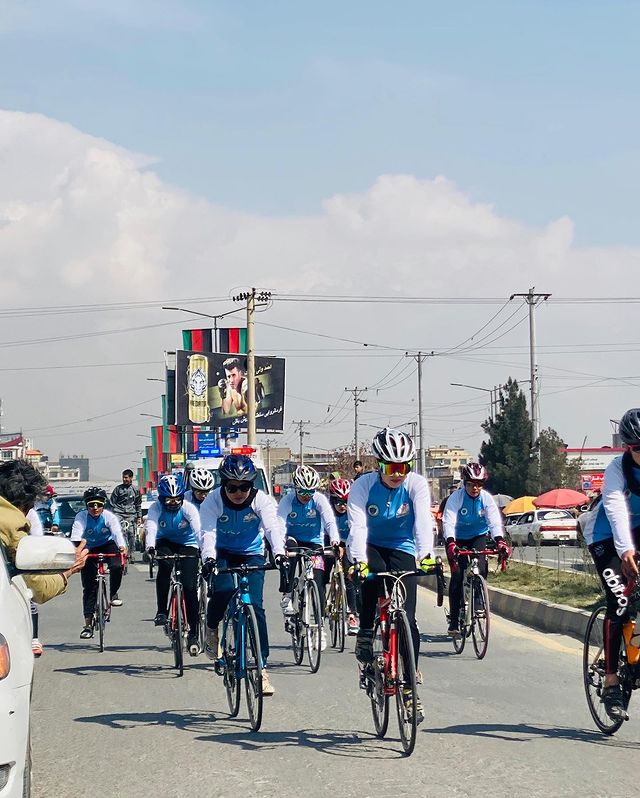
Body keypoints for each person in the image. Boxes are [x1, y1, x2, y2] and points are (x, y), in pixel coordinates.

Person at [347, 428, 436, 723]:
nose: (397, 474)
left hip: (402, 546)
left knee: (408, 620)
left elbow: (423, 521)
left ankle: (410, 689)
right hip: (370, 544)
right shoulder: (363, 485)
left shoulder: (416, 484)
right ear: (378, 465)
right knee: (371, 578)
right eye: (390, 467)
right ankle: (366, 631)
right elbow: (358, 526)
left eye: (403, 467)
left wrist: (426, 554)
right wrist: (359, 561)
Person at [200, 454, 286, 696]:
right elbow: (208, 533)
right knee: (224, 590)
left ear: (252, 484)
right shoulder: (212, 501)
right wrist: (208, 559)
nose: (239, 492)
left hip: (252, 553)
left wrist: (279, 554)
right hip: (222, 552)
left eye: (244, 486)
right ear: (223, 485)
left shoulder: (262, 500)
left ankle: (261, 668)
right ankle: (212, 628)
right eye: (232, 487)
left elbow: (272, 528)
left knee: (255, 606)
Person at [581, 408, 640, 720]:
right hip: (605, 535)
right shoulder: (617, 470)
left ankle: (636, 645)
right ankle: (611, 681)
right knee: (619, 600)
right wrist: (626, 550)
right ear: (628, 447)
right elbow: (616, 510)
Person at [0, 459, 87, 611]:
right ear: (25, 504)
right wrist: (69, 570)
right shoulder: (11, 525)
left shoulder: (50, 507)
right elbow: (40, 589)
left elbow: (47, 524)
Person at [442, 463, 509, 637]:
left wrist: (500, 541)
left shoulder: (486, 499)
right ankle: (454, 620)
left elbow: (494, 522)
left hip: (478, 536)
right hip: (457, 538)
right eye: (471, 484)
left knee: (481, 565)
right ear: (464, 483)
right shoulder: (456, 498)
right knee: (457, 575)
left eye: (479, 484)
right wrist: (451, 543)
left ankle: (479, 602)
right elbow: (448, 521)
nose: (475, 488)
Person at [278, 464, 339, 650]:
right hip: (293, 539)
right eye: (303, 492)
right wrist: (280, 545)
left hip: (314, 542)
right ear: (296, 488)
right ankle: (287, 594)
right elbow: (279, 523)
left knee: (318, 584)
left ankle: (320, 628)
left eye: (310, 491)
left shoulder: (319, 500)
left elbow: (329, 521)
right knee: (289, 553)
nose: (307, 496)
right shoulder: (287, 501)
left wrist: (335, 540)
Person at [145, 474, 202, 656]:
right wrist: (150, 547)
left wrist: (204, 549)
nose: (173, 503)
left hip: (188, 543)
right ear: (161, 499)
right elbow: (151, 528)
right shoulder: (155, 508)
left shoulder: (189, 508)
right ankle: (162, 611)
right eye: (169, 500)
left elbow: (198, 530)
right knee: (165, 567)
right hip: (165, 541)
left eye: (177, 499)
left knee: (190, 587)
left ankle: (193, 635)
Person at [72, 487, 126, 639]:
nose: (95, 508)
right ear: (86, 505)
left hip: (107, 544)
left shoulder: (109, 516)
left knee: (116, 565)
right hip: (88, 546)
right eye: (91, 505)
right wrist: (78, 552)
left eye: (99, 505)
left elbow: (117, 533)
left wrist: (122, 547)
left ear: (103, 505)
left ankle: (113, 593)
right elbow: (76, 536)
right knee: (89, 587)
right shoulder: (81, 517)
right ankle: (88, 625)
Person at [328, 477, 359, 635]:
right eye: (339, 502)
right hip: (328, 545)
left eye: (346, 502)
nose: (343, 506)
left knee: (350, 579)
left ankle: (352, 615)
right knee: (321, 575)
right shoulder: (327, 513)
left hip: (347, 546)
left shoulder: (353, 512)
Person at [110, 469, 142, 551]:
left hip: (131, 514)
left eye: (126, 477)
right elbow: (112, 503)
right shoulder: (118, 489)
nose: (124, 479)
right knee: (118, 532)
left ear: (131, 478)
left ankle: (131, 553)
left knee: (131, 533)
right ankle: (120, 550)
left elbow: (138, 504)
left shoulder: (136, 490)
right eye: (123, 477)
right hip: (119, 513)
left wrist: (139, 517)